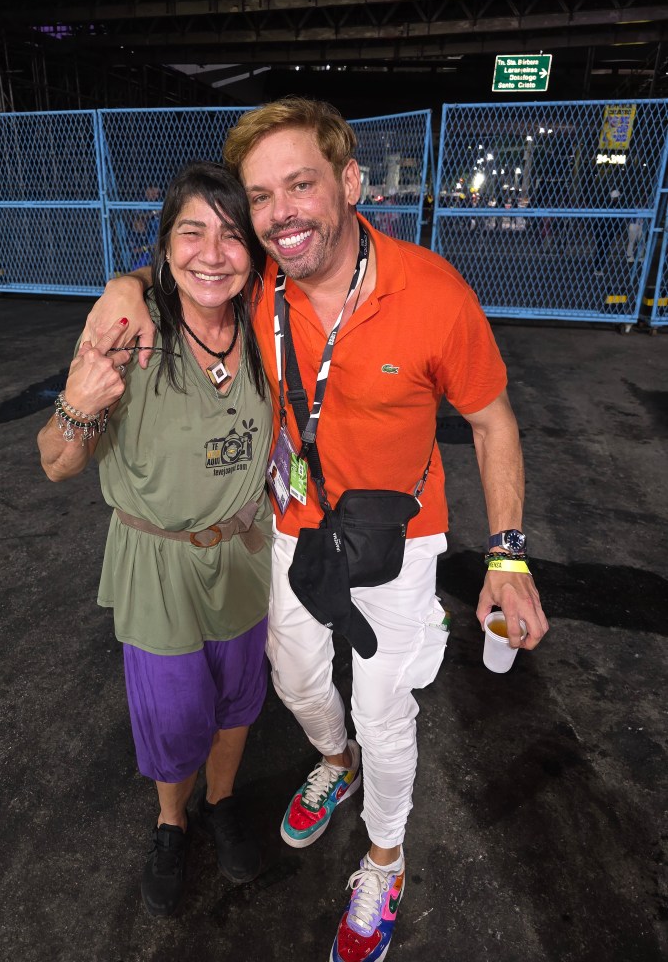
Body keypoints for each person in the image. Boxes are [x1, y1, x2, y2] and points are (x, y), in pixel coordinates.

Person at [84, 98, 548, 962]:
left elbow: (493, 423)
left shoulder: (433, 293)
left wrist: (509, 556)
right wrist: (123, 287)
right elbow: (183, 266)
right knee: (295, 680)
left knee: (383, 709)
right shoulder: (259, 281)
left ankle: (384, 861)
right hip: (293, 522)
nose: (279, 213)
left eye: (300, 185)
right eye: (261, 196)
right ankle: (334, 763)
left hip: (400, 532)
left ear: (350, 182)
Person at [38, 161, 273, 920]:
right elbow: (55, 462)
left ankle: (222, 801)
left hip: (244, 552)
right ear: (165, 245)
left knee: (237, 701)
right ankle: (172, 822)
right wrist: (77, 404)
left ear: (254, 252)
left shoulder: (266, 321)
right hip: (158, 564)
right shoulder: (130, 330)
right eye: (191, 233)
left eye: (232, 235)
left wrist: (128, 277)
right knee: (173, 717)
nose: (213, 254)